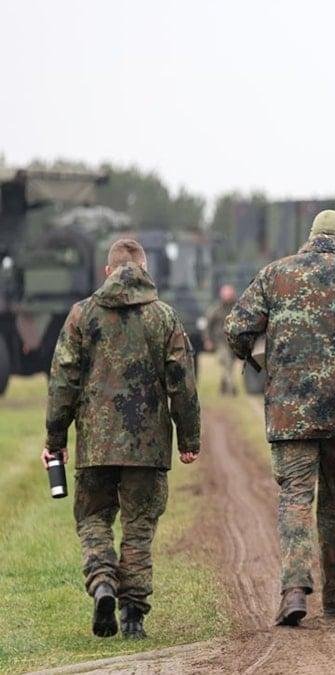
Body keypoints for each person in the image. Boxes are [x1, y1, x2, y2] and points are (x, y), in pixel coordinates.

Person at [225, 209, 335, 627]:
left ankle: (294, 590)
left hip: (288, 413)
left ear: (311, 236)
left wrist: (254, 358)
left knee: (295, 498)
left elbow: (237, 328)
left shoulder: (275, 274)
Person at [43, 238, 201, 640]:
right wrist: (189, 439)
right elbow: (182, 384)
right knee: (138, 527)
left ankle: (102, 582)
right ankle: (132, 617)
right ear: (146, 269)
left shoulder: (81, 315)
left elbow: (62, 381)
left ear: (107, 271)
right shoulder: (164, 317)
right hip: (147, 447)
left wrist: (55, 438)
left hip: (95, 445)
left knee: (93, 518)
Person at [202, 284, 239, 395]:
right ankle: (231, 389)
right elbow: (207, 326)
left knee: (229, 365)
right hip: (220, 342)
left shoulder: (237, 309)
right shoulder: (215, 310)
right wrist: (207, 340)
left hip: (234, 342)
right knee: (227, 363)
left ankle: (223, 387)